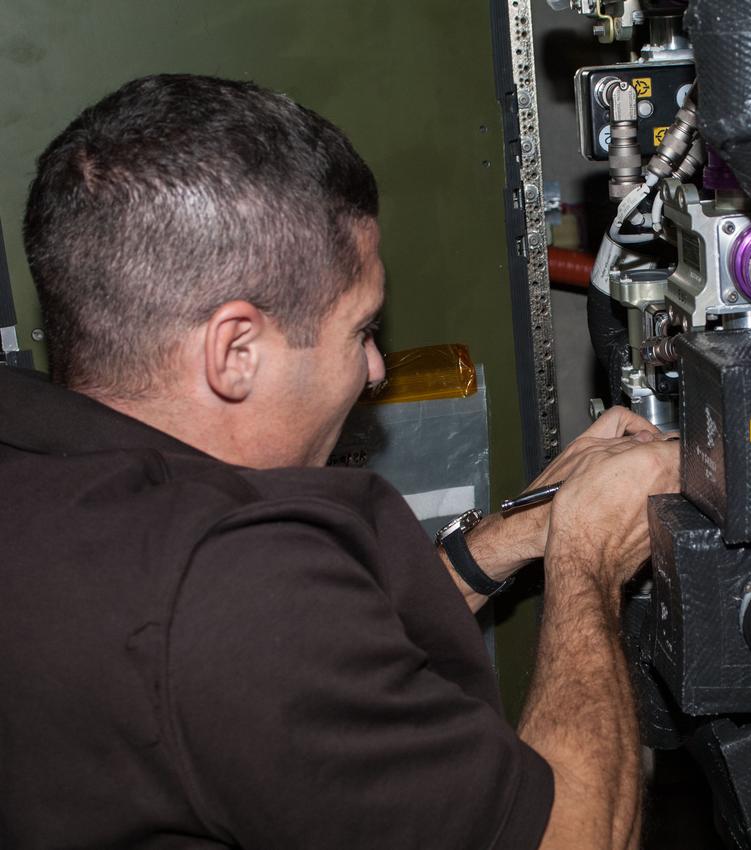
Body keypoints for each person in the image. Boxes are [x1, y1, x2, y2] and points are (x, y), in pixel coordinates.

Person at [0, 73, 678, 849]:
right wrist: (588, 556)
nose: (376, 371)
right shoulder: (227, 590)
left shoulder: (47, 473)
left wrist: (508, 541)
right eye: (361, 331)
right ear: (236, 351)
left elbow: (300, 678)